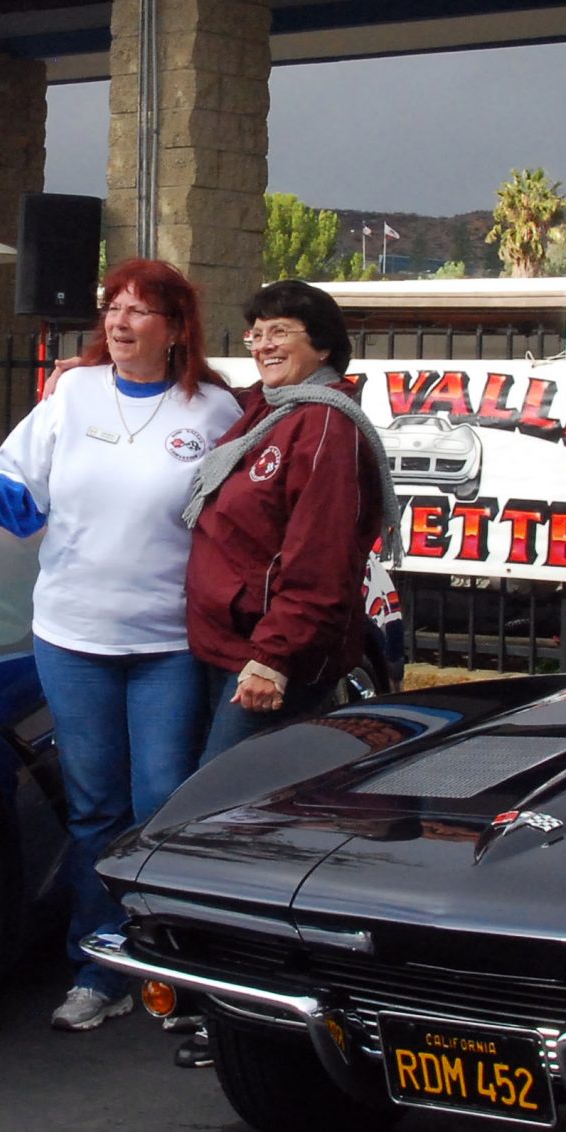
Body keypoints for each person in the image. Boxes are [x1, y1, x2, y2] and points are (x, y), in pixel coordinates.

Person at [0, 259, 240, 1032]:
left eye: (140, 311)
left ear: (175, 328)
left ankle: (175, 970)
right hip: (73, 636)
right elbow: (21, 497)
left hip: (168, 642)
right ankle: (97, 967)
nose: (120, 321)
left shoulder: (213, 410)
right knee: (95, 809)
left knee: (163, 803)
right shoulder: (71, 393)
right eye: (113, 307)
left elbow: (243, 517)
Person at [169, 280, 398, 1069]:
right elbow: (185, 382)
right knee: (231, 822)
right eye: (257, 330)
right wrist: (85, 372)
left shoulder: (324, 425)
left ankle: (235, 1002)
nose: (264, 343)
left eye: (283, 331)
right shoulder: (265, 412)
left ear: (324, 345)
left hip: (266, 663)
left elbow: (321, 560)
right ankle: (220, 994)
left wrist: (275, 655)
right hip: (219, 651)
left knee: (224, 826)